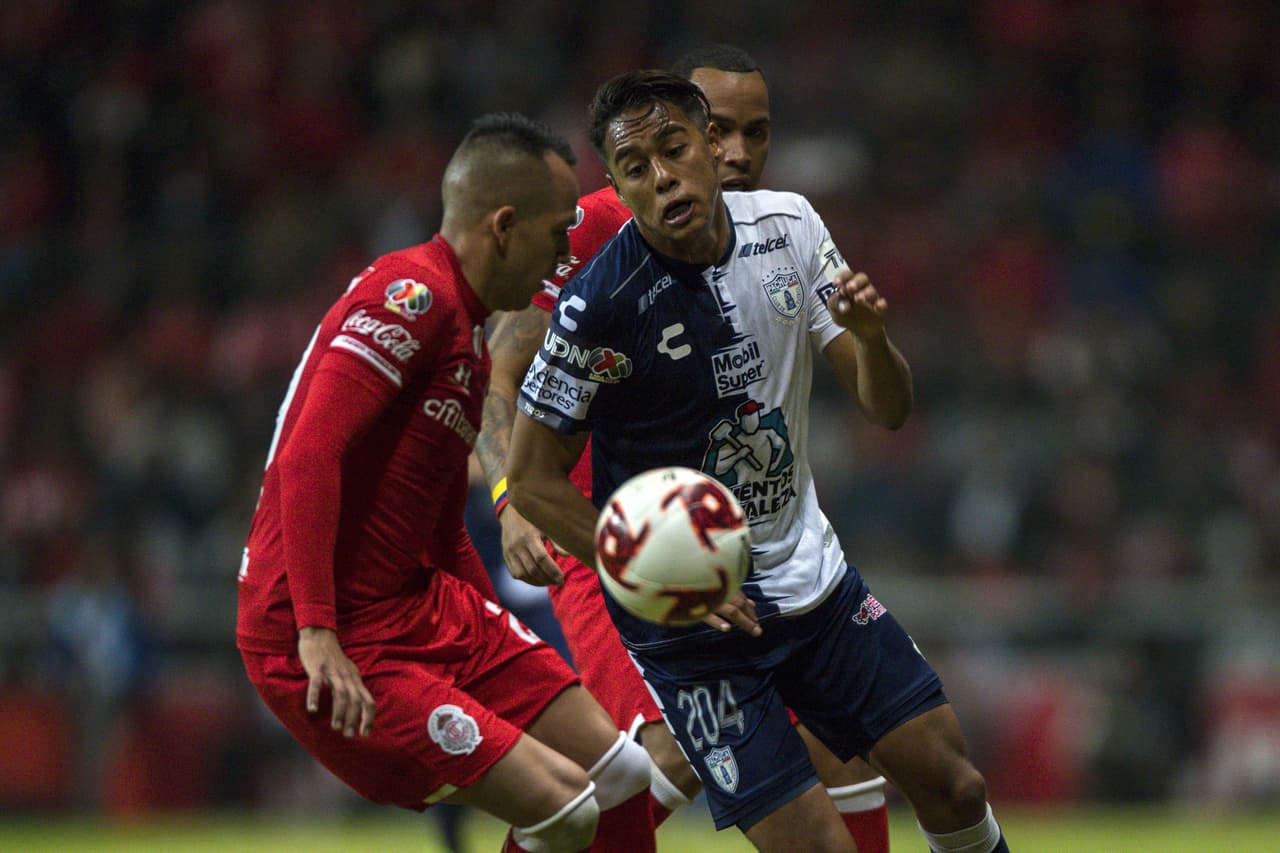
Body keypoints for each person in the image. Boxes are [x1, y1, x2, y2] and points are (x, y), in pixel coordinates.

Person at [508, 72, 1011, 853]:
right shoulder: (597, 307)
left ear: (711, 146)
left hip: (815, 585)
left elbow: (888, 409)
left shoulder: (791, 226)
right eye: (636, 168)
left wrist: (872, 338)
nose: (663, 176)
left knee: (955, 782)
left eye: (674, 149)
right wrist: (654, 575)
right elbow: (534, 477)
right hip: (695, 626)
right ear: (615, 188)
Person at [235, 112, 656, 853]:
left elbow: (435, 517)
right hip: (333, 631)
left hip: (420, 606)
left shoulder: (468, 336)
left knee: (624, 772)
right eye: (557, 234)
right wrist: (317, 630)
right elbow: (308, 458)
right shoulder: (412, 296)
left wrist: (494, 625)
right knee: (567, 809)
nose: (565, 255)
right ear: (503, 225)